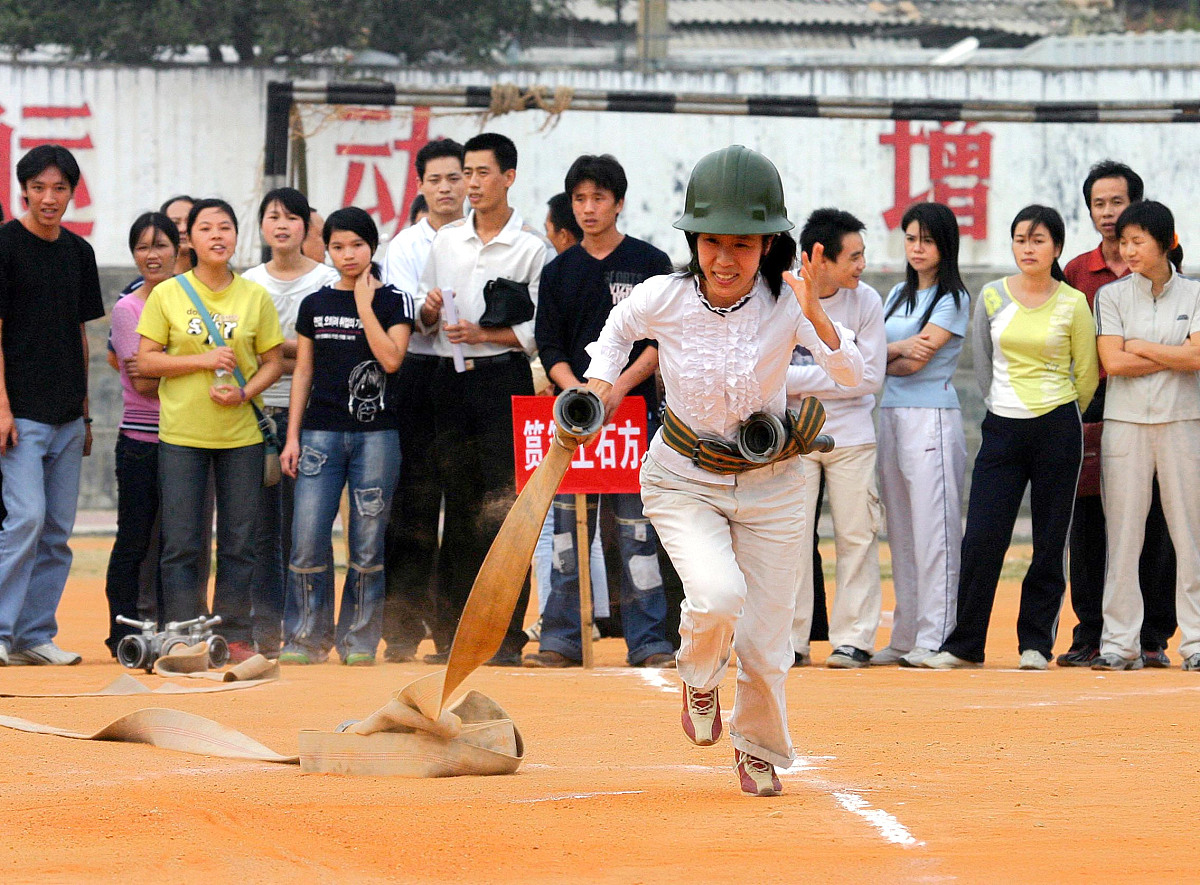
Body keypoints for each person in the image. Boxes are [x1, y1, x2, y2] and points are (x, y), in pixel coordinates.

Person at [586, 145, 863, 796]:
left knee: (767, 641)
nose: (725, 258)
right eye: (712, 241)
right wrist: (602, 382)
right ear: (694, 241)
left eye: (743, 243)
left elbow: (853, 374)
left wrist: (816, 314)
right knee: (715, 596)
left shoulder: (788, 302)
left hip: (773, 485)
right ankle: (699, 675)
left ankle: (757, 748)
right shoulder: (666, 297)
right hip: (682, 476)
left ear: (768, 244)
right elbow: (619, 327)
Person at [923, 206, 1098, 671]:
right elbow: (983, 364)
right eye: (1021, 239)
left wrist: (1059, 412)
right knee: (982, 537)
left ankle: (1035, 644)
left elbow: (1086, 375)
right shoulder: (992, 295)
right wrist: (1002, 405)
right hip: (1001, 428)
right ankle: (965, 645)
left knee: (1049, 540)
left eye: (1038, 240)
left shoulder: (1074, 303)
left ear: (1057, 248)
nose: (1028, 248)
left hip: (1057, 427)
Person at [526, 153, 675, 669]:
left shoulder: (650, 263)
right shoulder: (558, 271)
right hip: (574, 421)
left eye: (598, 198)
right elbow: (549, 345)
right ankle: (561, 639)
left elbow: (661, 341)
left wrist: (618, 389)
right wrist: (581, 395)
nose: (588, 209)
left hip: (634, 418)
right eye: (579, 199)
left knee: (637, 530)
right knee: (567, 531)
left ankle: (650, 640)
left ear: (619, 203)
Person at [412, 132, 549, 667]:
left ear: (509, 177)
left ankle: (505, 637)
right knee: (456, 505)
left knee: (505, 507)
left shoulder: (530, 247)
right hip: (449, 382)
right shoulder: (445, 241)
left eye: (481, 172)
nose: (470, 182)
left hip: (502, 381)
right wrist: (428, 312)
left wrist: (485, 335)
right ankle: (451, 637)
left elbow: (539, 330)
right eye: (465, 172)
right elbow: (426, 320)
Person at [136, 198, 285, 664]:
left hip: (242, 438)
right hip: (182, 436)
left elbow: (273, 362)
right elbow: (146, 361)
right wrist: (202, 359)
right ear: (191, 240)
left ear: (237, 236)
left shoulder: (255, 296)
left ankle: (233, 636)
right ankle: (185, 634)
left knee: (240, 543)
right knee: (182, 542)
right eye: (206, 228)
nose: (217, 235)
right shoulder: (168, 294)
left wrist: (244, 393)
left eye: (225, 227)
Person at [279, 208, 413, 665]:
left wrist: (363, 305)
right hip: (319, 435)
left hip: (377, 437)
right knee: (306, 537)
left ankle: (358, 641)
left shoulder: (395, 301)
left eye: (356, 245)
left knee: (368, 541)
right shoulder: (314, 304)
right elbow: (303, 372)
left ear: (372, 247)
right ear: (326, 250)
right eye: (337, 246)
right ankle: (304, 639)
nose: (347, 254)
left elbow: (391, 360)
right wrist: (292, 437)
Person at [1059, 161, 1177, 668]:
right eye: (1098, 204)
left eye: (1117, 202)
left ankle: (1152, 634)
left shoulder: (1162, 265)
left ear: (1137, 206)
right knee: (1088, 523)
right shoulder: (1076, 272)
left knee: (1157, 521)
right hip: (1094, 401)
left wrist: (1141, 354)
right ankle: (1091, 631)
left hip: (1157, 399)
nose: (1108, 213)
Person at [0, 144, 105, 667]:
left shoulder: (79, 252)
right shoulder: (4, 244)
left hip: (67, 414)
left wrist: (84, 413)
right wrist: (1, 407)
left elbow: (79, 334)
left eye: (59, 188)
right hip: (20, 413)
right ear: (23, 190)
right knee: (26, 519)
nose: (48, 197)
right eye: (38, 187)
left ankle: (33, 634)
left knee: (58, 532)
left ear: (71, 192)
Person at [1093, 201, 1200, 672]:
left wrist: (1139, 346)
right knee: (1123, 536)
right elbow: (1113, 363)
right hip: (1125, 425)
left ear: (1166, 242)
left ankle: (1195, 642)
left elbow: (1197, 358)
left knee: (1190, 535)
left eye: (1138, 241)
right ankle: (1119, 643)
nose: (1129, 250)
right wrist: (1171, 354)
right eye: (1124, 242)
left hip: (1183, 421)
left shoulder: (1194, 294)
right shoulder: (1111, 296)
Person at [872, 203, 971, 668]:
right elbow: (876, 356)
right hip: (891, 414)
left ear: (945, 246)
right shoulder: (896, 294)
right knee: (902, 531)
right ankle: (906, 634)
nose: (917, 248)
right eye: (911, 239)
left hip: (931, 416)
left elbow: (915, 363)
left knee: (935, 532)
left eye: (927, 241)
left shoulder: (953, 298)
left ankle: (937, 635)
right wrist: (892, 350)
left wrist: (881, 357)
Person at [380, 138, 468, 663]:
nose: (446, 188)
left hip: (471, 374)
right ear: (420, 185)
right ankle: (403, 630)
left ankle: (456, 632)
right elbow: (402, 311)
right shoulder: (404, 246)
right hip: (418, 372)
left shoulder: (484, 239)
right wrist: (427, 312)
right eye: (434, 180)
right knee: (412, 504)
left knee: (465, 509)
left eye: (455, 178)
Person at [242, 188, 339, 657]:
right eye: (272, 217)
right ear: (261, 226)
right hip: (256, 418)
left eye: (292, 218)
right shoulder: (248, 283)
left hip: (315, 417)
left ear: (307, 227)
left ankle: (313, 632)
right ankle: (264, 631)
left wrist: (273, 351)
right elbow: (246, 351)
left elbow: (328, 350)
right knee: (261, 532)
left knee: (311, 531)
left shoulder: (328, 281)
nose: (281, 225)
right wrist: (297, 349)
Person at [788, 208, 886, 670]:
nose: (862, 265)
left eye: (863, 255)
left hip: (853, 435)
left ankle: (854, 639)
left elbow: (870, 378)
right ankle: (790, 640)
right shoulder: (783, 293)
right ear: (819, 258)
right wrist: (839, 375)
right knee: (788, 538)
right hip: (794, 436)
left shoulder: (867, 301)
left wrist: (800, 381)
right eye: (854, 256)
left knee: (857, 536)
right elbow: (768, 374)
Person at [103, 212, 179, 655]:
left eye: (161, 245)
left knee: (177, 543)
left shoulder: (189, 303)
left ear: (177, 251)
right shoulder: (128, 308)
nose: (152, 255)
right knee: (134, 539)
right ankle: (122, 632)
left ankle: (174, 630)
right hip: (140, 442)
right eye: (143, 247)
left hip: (185, 439)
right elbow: (143, 384)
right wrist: (196, 366)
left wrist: (163, 364)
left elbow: (154, 372)